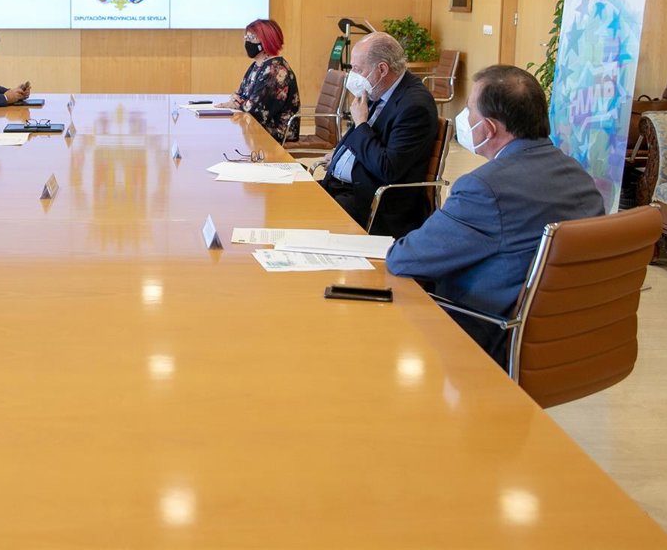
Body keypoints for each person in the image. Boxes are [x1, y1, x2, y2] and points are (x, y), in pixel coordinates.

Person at [385, 65, 604, 362]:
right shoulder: (579, 176)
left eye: (469, 110)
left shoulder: (484, 189)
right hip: (568, 340)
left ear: (488, 128)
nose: (464, 118)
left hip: (485, 335)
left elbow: (405, 259)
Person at [317, 32, 438, 237]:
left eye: (357, 69)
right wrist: (338, 155)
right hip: (342, 188)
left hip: (372, 201)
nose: (352, 75)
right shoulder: (378, 90)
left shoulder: (415, 106)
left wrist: (361, 123)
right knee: (290, 195)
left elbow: (387, 168)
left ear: (382, 69)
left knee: (304, 219)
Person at [215, 18, 300, 141]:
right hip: (258, 128)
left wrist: (237, 102)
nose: (247, 42)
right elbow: (241, 94)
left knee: (225, 137)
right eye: (246, 37)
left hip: (276, 133)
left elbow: (255, 111)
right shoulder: (258, 65)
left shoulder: (276, 71)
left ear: (267, 40)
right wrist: (237, 100)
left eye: (252, 38)